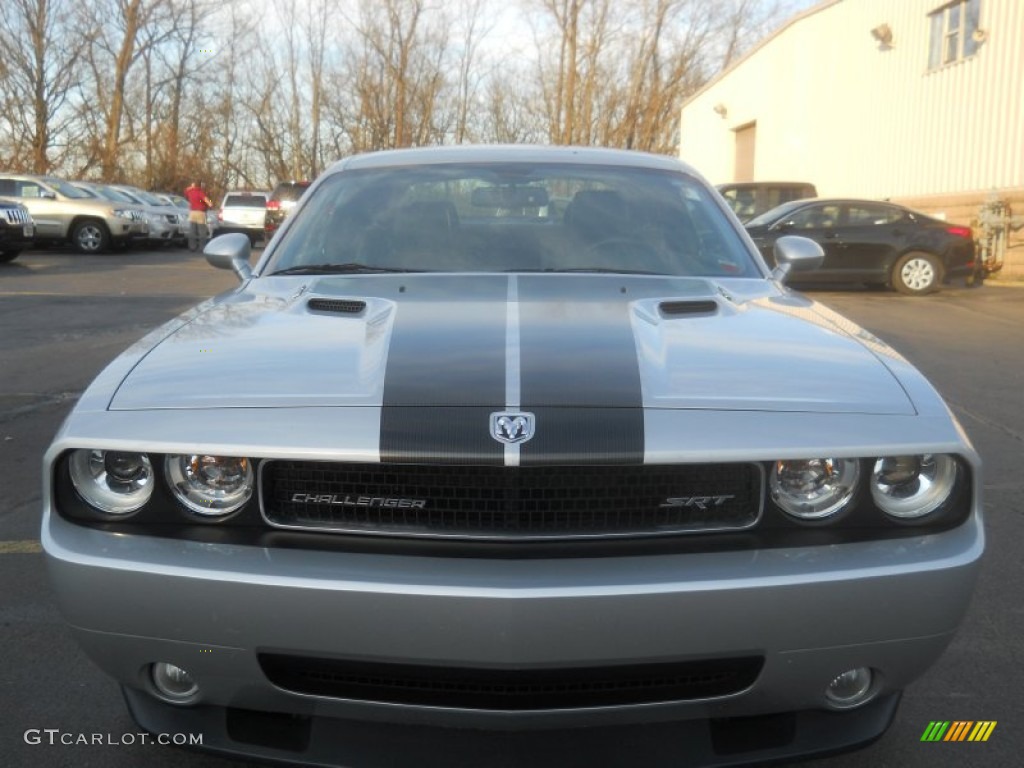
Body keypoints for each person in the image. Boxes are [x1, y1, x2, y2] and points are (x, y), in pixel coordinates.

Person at [184, 180, 213, 251]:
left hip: (192, 213)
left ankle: (192, 247)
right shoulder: (200, 192)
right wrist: (211, 204)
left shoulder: (189, 191)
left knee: (192, 230)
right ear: (200, 185)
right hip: (200, 213)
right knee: (202, 231)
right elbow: (206, 200)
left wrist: (191, 187)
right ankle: (202, 247)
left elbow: (186, 191)